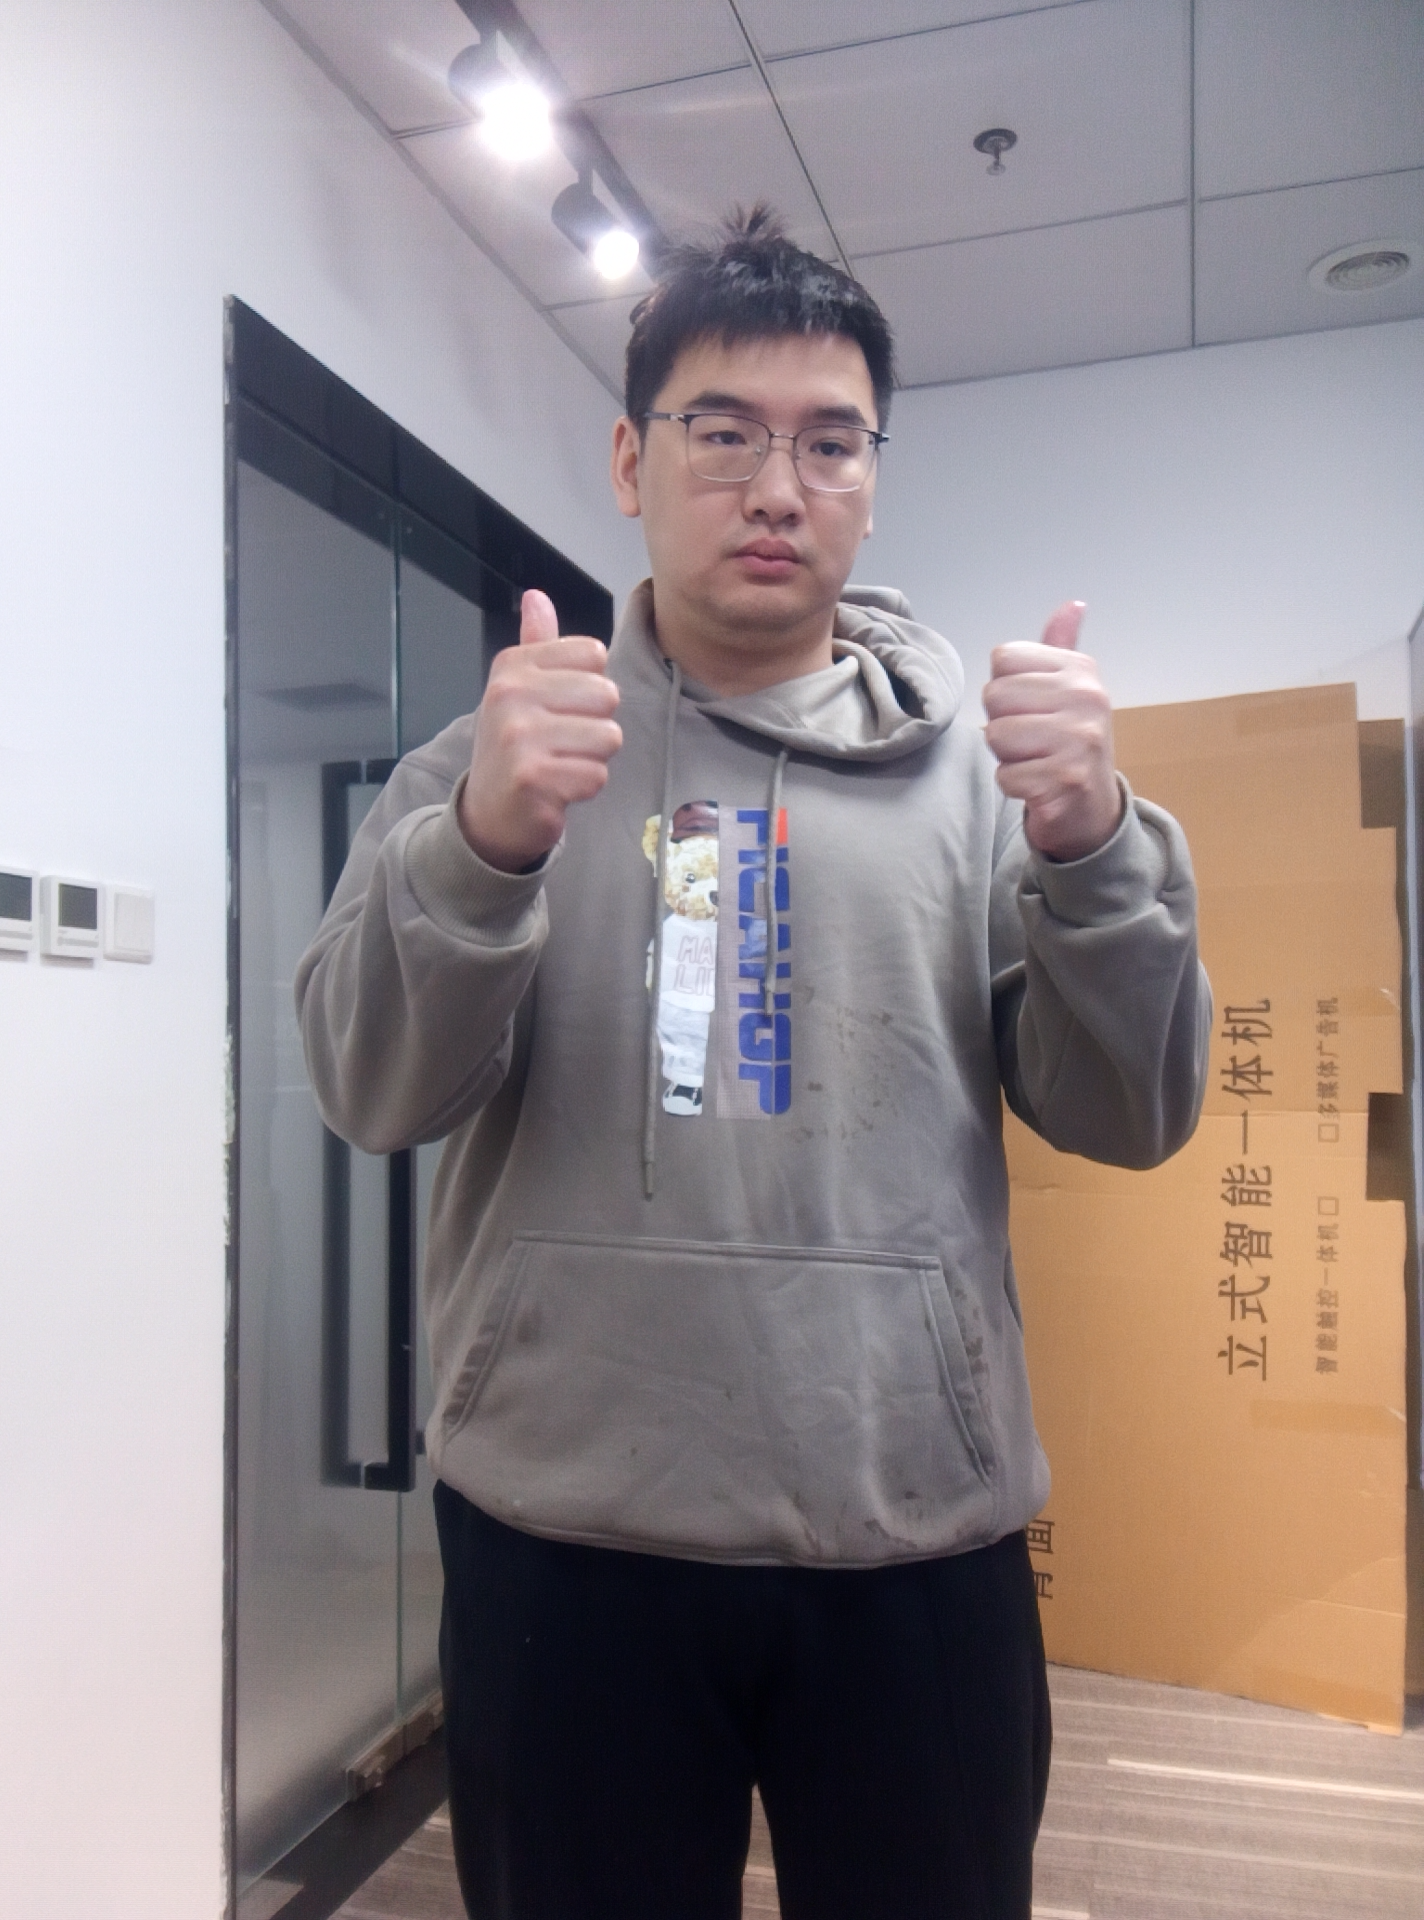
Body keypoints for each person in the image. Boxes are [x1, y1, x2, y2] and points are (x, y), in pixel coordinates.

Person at [297, 206, 1210, 1920]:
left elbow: (1134, 1111)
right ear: (631, 458)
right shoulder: (494, 761)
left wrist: (1096, 849)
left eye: (829, 442)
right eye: (723, 433)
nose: (777, 487)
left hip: (910, 1524)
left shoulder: (989, 787)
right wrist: (484, 847)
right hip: (566, 1533)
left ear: (872, 477)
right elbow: (369, 1090)